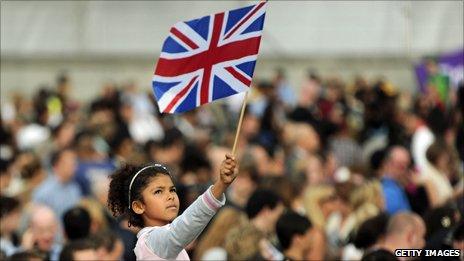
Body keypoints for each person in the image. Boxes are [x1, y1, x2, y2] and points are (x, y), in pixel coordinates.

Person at [107, 154, 237, 260]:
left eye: (172, 190)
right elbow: (187, 224)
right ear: (138, 206)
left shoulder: (167, 240)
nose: (170, 196)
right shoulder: (150, 241)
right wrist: (220, 185)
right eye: (158, 191)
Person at [380, 146, 412, 215]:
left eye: (407, 165)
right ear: (387, 164)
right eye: (400, 166)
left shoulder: (399, 187)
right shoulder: (389, 192)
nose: (405, 170)